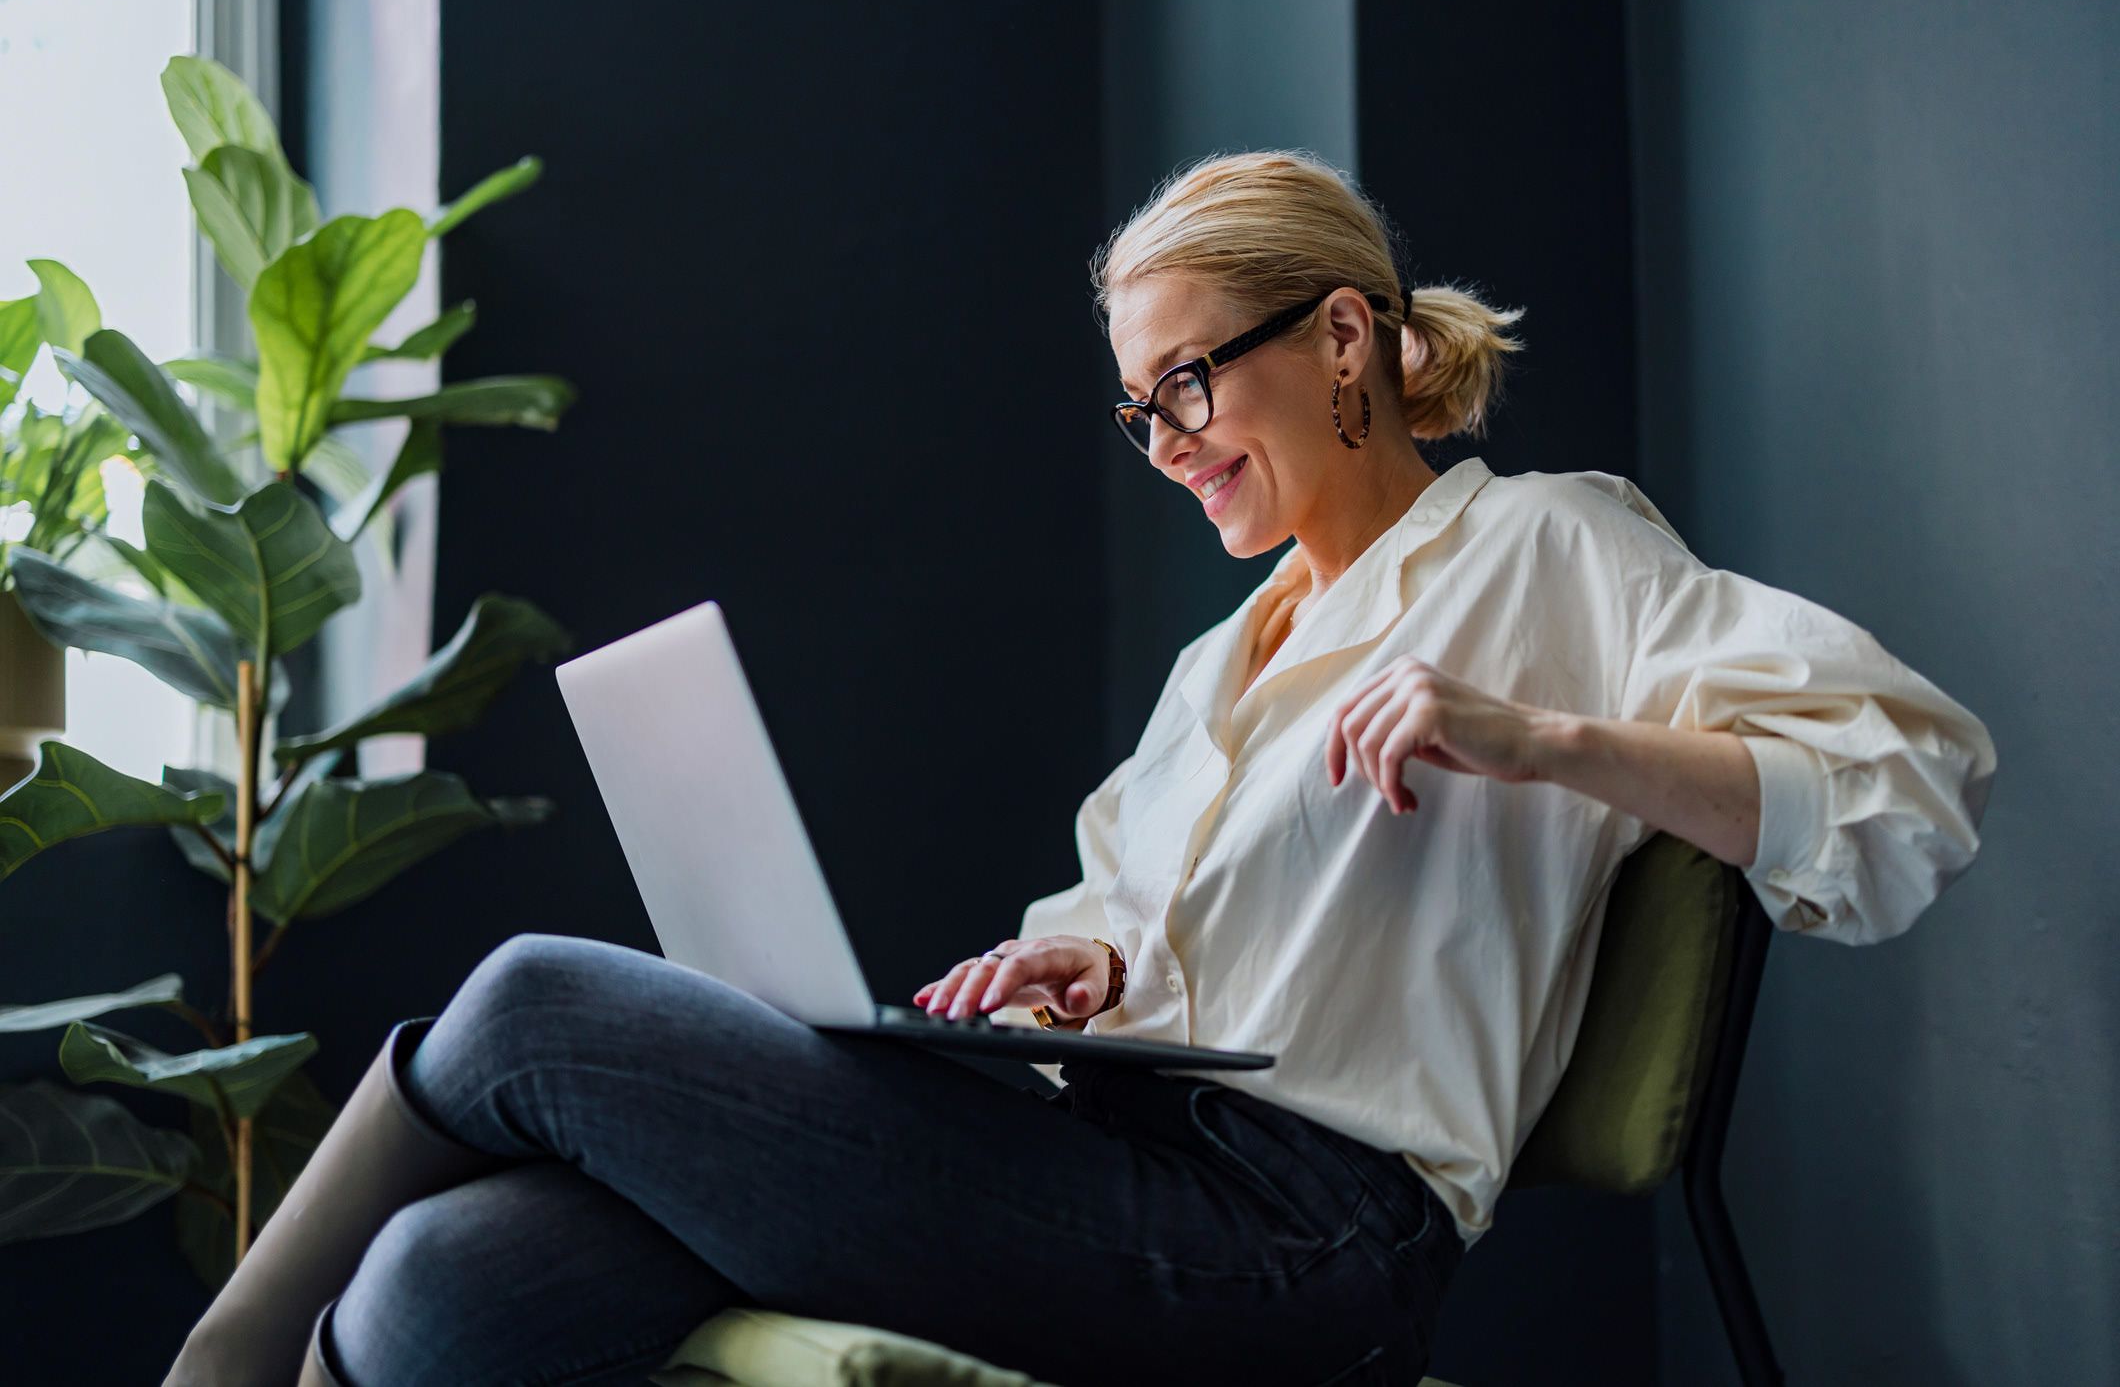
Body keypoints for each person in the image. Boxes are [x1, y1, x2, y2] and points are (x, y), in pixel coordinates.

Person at [164, 148, 1997, 1387]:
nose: (1168, 441)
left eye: (1191, 383)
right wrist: (1087, 969)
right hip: (1110, 1152)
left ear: (1342, 334)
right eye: (1143, 408)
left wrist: (1542, 738)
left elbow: (1910, 776)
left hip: (1306, 1241)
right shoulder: (1225, 658)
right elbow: (1138, 915)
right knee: (444, 1287)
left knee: (528, 1008)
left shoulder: (1550, 554)